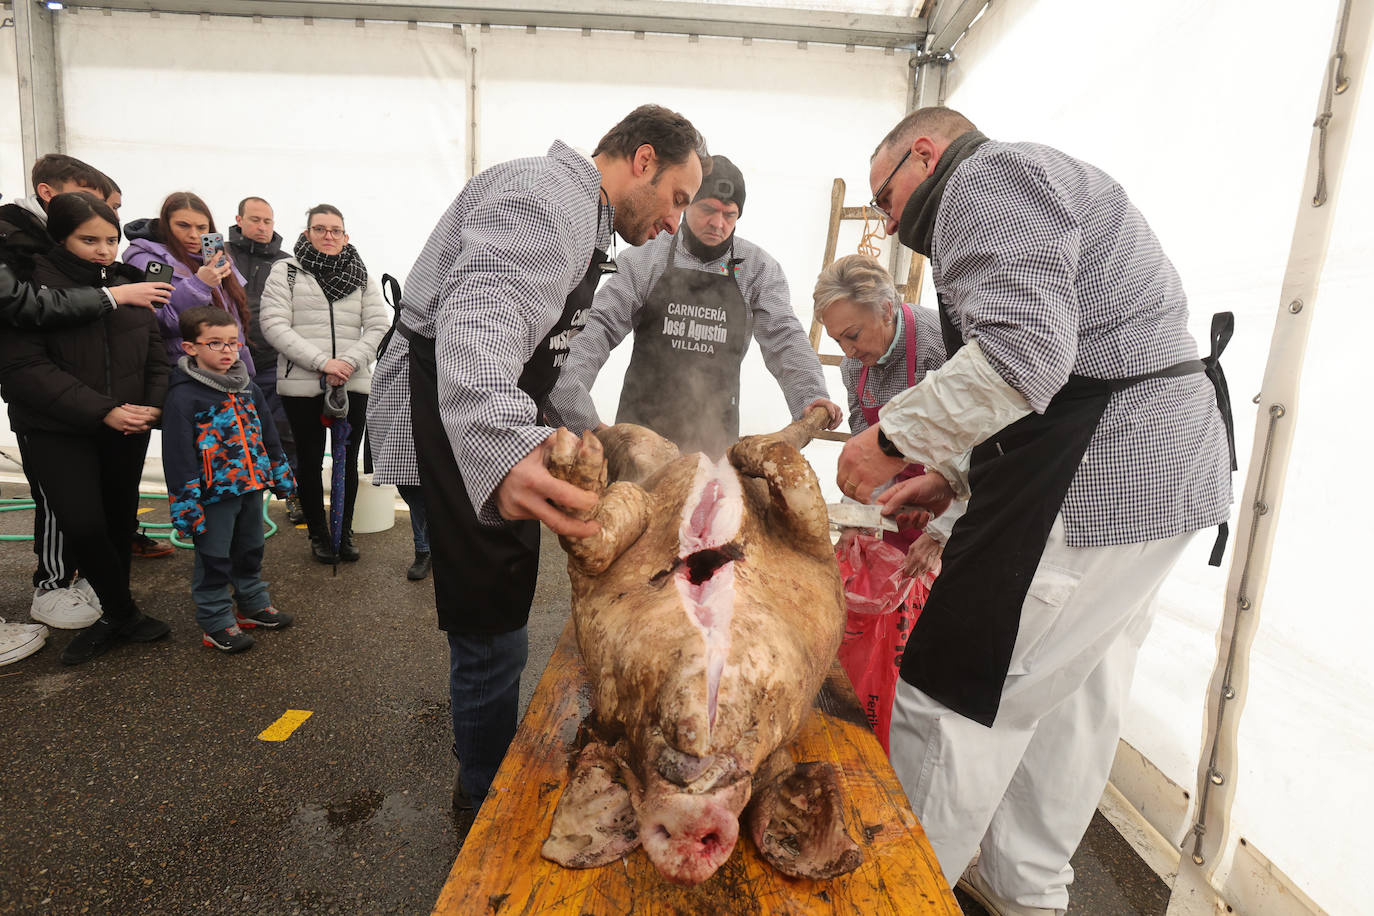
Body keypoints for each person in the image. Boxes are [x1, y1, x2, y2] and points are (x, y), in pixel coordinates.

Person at [835, 107, 1234, 915]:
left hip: (1101, 473)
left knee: (958, 690)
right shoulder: (1039, 183)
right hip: (1161, 477)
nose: (887, 219)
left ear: (926, 152)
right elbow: (1055, 357)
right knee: (1069, 697)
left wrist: (891, 438)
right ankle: (1026, 890)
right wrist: (949, 477)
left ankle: (903, 897)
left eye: (886, 197)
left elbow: (1026, 354)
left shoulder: (987, 177)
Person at [366, 103, 708, 809]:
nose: (675, 221)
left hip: (488, 414)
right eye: (677, 198)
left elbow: (540, 360)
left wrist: (609, 449)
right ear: (641, 160)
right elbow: (480, 319)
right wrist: (502, 439)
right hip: (455, 421)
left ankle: (486, 760)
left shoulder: (586, 221)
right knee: (490, 628)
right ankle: (483, 795)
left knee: (502, 619)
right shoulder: (547, 197)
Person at [551, 154, 839, 455]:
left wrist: (811, 396)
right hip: (639, 439)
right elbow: (597, 327)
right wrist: (572, 402)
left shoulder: (755, 268)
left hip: (714, 441)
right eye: (708, 210)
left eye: (729, 214)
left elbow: (784, 336)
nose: (718, 223)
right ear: (686, 204)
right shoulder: (646, 257)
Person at [0, 192, 173, 665]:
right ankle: (118, 611)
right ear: (60, 237)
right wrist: (105, 409)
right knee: (82, 521)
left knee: (120, 518)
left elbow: (156, 357)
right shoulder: (34, 288)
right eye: (89, 239)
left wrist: (150, 408)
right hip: (59, 429)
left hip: (126, 427)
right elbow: (24, 369)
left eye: (111, 239)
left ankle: (119, 612)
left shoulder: (130, 285)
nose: (103, 250)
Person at [161, 306, 297, 653]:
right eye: (215, 344)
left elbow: (268, 433)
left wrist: (280, 472)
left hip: (251, 488)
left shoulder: (246, 386)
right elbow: (177, 454)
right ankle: (216, 619)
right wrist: (186, 502)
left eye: (233, 343)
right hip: (213, 496)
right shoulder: (184, 395)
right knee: (214, 558)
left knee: (251, 548)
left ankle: (252, 603)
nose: (227, 351)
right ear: (190, 347)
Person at [259, 204, 389, 564]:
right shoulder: (285, 272)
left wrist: (347, 363)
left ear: (346, 236)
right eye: (320, 229)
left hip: (353, 382)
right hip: (302, 385)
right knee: (310, 459)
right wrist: (322, 363)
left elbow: (379, 326)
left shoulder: (361, 274)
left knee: (346, 461)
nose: (328, 236)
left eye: (335, 230)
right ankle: (318, 533)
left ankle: (343, 531)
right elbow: (273, 325)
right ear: (307, 233)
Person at [812, 253, 948, 575]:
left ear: (887, 310)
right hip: (898, 507)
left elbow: (978, 449)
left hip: (959, 507)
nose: (847, 351)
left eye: (853, 335)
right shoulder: (853, 368)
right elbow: (867, 456)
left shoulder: (939, 346)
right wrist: (853, 520)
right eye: (837, 340)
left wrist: (940, 533)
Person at [123, 192, 256, 376]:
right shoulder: (148, 261)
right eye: (183, 226)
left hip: (229, 368)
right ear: (165, 225)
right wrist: (199, 284)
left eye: (202, 227)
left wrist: (245, 371)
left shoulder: (216, 259)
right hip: (182, 369)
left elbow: (235, 321)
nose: (194, 235)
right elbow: (160, 322)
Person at [227, 196, 302, 525]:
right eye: (255, 219)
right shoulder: (221, 256)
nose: (261, 227)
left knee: (284, 430)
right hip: (229, 364)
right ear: (239, 220)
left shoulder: (287, 263)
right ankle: (236, 501)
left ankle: (293, 493)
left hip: (272, 360)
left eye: (267, 221)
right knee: (233, 434)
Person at [0, 154, 115, 282]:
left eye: (100, 202)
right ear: (47, 193)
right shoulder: (10, 237)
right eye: (84, 197)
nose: (94, 208)